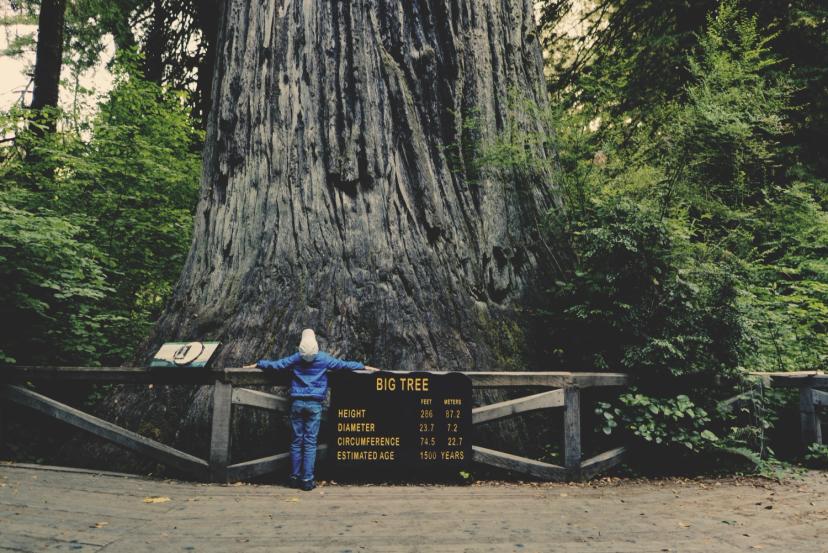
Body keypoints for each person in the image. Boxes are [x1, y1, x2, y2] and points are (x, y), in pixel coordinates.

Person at [246, 329, 377, 491]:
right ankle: (307, 480)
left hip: (297, 404)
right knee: (309, 443)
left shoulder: (296, 358)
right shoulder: (323, 359)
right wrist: (363, 366)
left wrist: (259, 363)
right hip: (314, 405)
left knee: (296, 442)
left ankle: (294, 478)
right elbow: (344, 366)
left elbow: (276, 365)